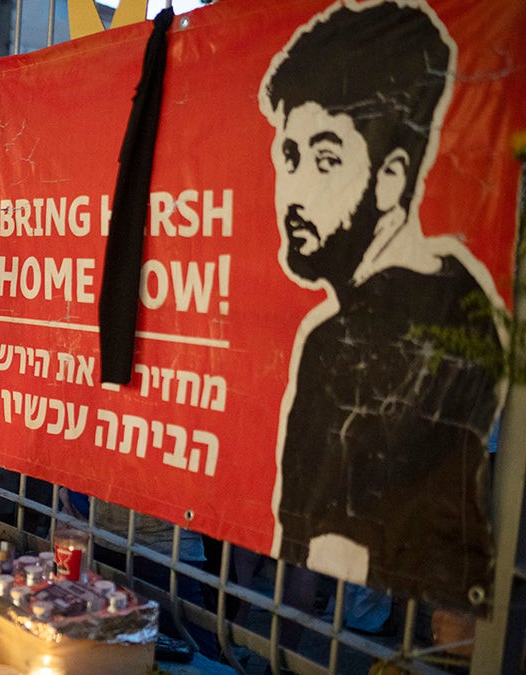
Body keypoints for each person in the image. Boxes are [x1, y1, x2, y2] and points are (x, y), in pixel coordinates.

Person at [260, 0, 502, 608]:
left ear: (393, 177)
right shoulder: (446, 294)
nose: (295, 192)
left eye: (326, 160)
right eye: (289, 158)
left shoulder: (378, 331)